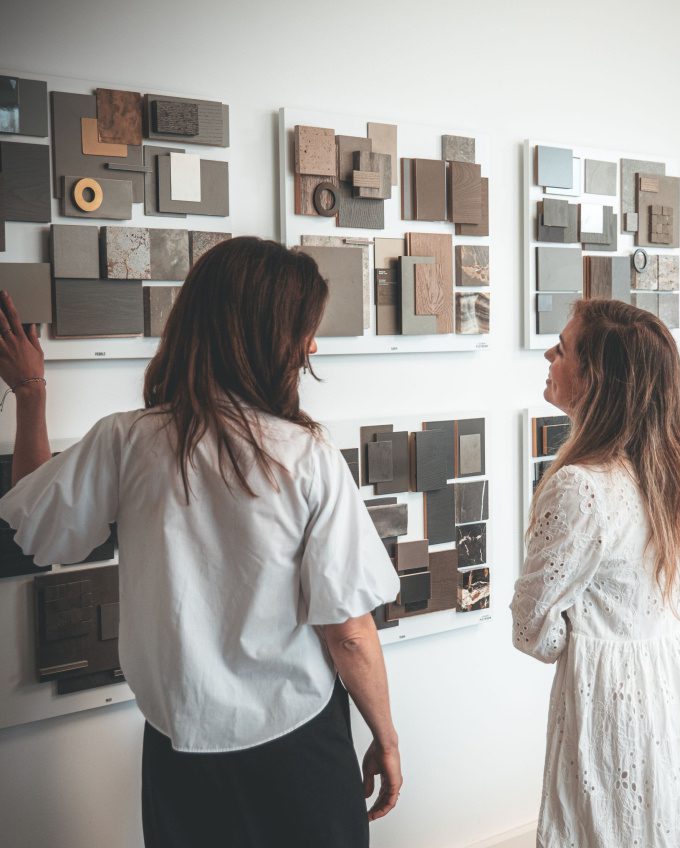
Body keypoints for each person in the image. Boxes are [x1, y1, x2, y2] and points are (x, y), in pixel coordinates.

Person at [0, 237, 403, 848]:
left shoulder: (125, 442)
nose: (311, 347)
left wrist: (31, 396)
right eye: (303, 330)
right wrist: (388, 738)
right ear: (265, 334)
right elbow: (347, 629)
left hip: (178, 750)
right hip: (298, 743)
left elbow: (38, 523)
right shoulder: (306, 457)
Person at [511, 299, 680, 848]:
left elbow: (532, 631)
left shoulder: (581, 487)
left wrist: (584, 634)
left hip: (616, 702)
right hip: (676, 693)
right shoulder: (670, 464)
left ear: (593, 377)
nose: (550, 354)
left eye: (564, 347)